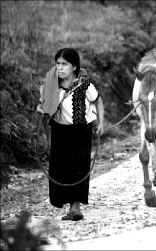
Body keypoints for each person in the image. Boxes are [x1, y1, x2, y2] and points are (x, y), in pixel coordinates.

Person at [37, 48, 104, 221]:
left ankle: (76, 207)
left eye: (64, 64)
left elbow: (98, 101)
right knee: (60, 167)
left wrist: (101, 122)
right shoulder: (51, 85)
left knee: (79, 167)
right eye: (57, 64)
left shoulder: (84, 84)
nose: (60, 68)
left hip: (81, 131)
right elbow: (44, 104)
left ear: (74, 67)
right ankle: (64, 202)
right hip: (59, 130)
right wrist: (42, 108)